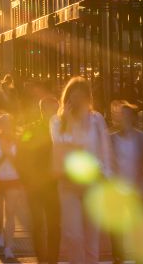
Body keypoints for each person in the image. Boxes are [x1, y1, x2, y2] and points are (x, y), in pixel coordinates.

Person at [50, 77, 112, 264]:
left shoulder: (96, 119)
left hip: (93, 181)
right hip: (68, 183)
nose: (77, 101)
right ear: (67, 99)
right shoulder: (56, 122)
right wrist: (70, 122)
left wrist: (106, 177)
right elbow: (62, 147)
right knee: (74, 235)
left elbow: (105, 149)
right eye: (73, 97)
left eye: (82, 97)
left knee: (92, 240)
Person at [109, 101, 143, 264]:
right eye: (121, 115)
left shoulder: (142, 138)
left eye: (127, 115)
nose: (123, 118)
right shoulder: (111, 139)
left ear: (133, 118)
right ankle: (118, 257)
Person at [17, 96, 60, 264]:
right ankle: (44, 259)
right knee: (40, 224)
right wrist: (25, 179)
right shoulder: (31, 130)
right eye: (50, 110)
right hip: (36, 185)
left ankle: (50, 259)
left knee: (52, 225)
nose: (53, 113)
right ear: (42, 111)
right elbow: (20, 154)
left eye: (55, 110)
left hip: (53, 185)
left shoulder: (61, 130)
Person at [0, 112, 28, 261]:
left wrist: (9, 155)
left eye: (8, 123)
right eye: (2, 123)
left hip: (13, 180)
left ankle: (8, 247)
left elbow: (22, 161)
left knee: (10, 213)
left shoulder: (17, 141)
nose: (5, 126)